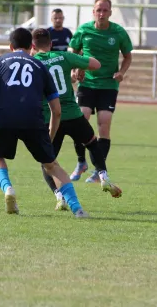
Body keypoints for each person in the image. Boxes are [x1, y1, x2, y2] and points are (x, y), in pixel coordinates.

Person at [0, 27, 89, 218]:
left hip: (3, 116)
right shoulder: (40, 66)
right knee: (51, 165)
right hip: (33, 119)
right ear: (31, 46)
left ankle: (8, 188)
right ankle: (77, 208)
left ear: (11, 46)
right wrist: (49, 136)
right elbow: (56, 111)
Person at [31, 28, 122, 210]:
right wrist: (79, 67)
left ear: (33, 45)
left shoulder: (32, 63)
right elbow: (95, 64)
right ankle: (103, 176)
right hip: (73, 114)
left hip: (51, 119)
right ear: (51, 44)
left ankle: (60, 197)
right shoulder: (64, 56)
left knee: (47, 161)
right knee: (92, 143)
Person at [68, 0, 133, 186]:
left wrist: (121, 72)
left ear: (110, 13)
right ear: (93, 12)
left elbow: (128, 56)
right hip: (87, 84)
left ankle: (99, 170)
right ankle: (81, 163)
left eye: (105, 10)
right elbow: (72, 51)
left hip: (108, 85)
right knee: (81, 120)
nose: (102, 13)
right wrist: (73, 69)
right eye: (98, 10)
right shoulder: (84, 30)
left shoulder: (118, 32)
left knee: (104, 124)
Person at [47, 9, 90, 181]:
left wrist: (74, 70)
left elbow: (75, 54)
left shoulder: (68, 34)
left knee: (78, 117)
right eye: (55, 17)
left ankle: (81, 161)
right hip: (51, 78)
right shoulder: (48, 34)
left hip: (65, 78)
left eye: (60, 17)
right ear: (52, 19)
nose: (58, 20)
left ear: (63, 19)